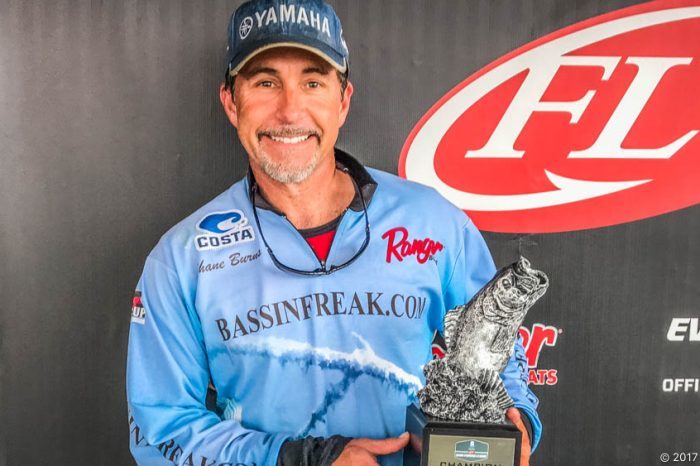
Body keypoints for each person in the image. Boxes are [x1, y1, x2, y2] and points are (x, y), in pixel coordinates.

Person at [126, 1, 541, 465]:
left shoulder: (435, 223)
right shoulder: (183, 259)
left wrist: (512, 421)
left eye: (313, 82)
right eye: (265, 83)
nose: (290, 111)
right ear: (230, 102)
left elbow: (501, 353)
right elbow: (160, 434)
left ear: (342, 101)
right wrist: (302, 460)